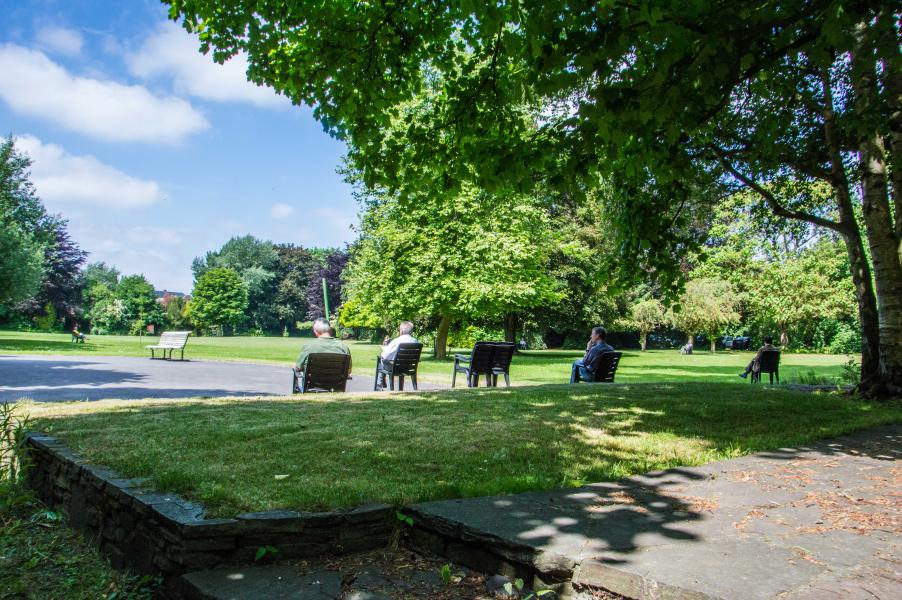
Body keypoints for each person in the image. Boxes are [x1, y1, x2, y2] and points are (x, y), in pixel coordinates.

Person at [377, 321, 417, 388]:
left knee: (381, 358)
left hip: (395, 368)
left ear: (401, 331)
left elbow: (386, 356)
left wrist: (384, 348)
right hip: (409, 368)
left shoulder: (397, 341)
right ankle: (383, 383)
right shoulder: (415, 341)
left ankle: (379, 384)